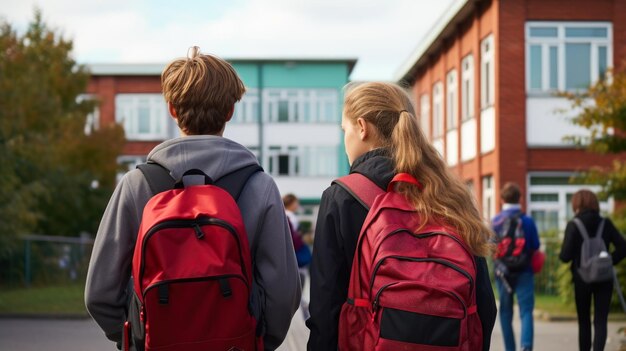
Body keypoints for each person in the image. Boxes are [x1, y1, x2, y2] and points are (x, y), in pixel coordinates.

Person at [85, 47, 301, 350]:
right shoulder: (260, 186)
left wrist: (135, 338)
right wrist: (258, 340)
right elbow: (283, 291)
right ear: (230, 111)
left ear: (172, 109)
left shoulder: (136, 185)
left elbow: (99, 293)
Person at [306, 81, 497, 350]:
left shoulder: (342, 197)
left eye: (344, 130)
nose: (344, 140)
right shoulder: (450, 195)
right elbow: (484, 306)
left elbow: (326, 310)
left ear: (362, 127)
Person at [559, 189, 626, 351]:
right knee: (601, 320)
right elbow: (623, 247)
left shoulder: (574, 225)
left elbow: (565, 256)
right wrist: (609, 260)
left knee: (584, 321)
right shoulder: (606, 223)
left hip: (582, 279)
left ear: (576, 205)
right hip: (604, 279)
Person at [491, 182, 540, 351]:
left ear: (501, 199)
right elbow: (535, 245)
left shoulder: (495, 221)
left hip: (502, 273)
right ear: (520, 198)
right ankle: (526, 346)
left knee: (505, 313)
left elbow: (491, 248)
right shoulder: (527, 221)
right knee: (526, 311)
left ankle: (510, 349)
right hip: (524, 271)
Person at [283, 193, 311, 319]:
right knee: (299, 286)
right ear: (291, 203)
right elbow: (293, 241)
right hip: (297, 258)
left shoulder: (283, 214)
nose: (297, 205)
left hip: (289, 258)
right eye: (296, 203)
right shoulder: (291, 217)